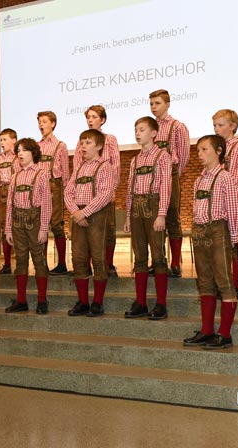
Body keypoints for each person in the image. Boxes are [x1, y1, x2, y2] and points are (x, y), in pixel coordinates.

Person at [182, 135, 238, 349]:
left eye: (204, 149)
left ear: (218, 151)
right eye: (198, 150)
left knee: (224, 283)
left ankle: (224, 334)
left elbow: (235, 212)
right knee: (205, 282)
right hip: (200, 232)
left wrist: (234, 241)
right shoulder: (199, 179)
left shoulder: (226, 178)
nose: (199, 154)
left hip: (219, 232)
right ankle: (207, 330)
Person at [65, 129, 118, 317]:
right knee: (78, 259)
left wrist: (84, 212)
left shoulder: (105, 167)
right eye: (81, 143)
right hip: (78, 216)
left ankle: (97, 302)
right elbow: (68, 191)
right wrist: (74, 212)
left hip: (96, 216)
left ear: (99, 146)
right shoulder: (78, 168)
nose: (83, 146)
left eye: (87, 143)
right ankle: (82, 301)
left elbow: (105, 194)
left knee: (98, 258)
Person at [123, 117, 172, 320]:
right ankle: (141, 302)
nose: (137, 133)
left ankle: (161, 304)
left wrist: (161, 214)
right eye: (135, 129)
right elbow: (129, 190)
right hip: (137, 208)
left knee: (158, 256)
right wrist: (127, 216)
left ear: (153, 133)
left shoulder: (162, 156)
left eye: (142, 129)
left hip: (153, 205)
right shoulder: (135, 160)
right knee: (140, 256)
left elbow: (166, 187)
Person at [5, 138, 51, 315]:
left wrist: (44, 228)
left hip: (35, 220)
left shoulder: (41, 174)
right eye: (18, 150)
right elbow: (9, 204)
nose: (20, 153)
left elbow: (47, 202)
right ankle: (21, 300)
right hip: (18, 222)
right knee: (21, 261)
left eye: (24, 150)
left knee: (39, 260)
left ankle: (42, 300)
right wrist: (8, 228)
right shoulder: (15, 176)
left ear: (33, 153)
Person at [75, 105, 121, 277]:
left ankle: (108, 264)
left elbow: (115, 164)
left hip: (104, 190)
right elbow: (78, 167)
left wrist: (112, 189)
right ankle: (85, 265)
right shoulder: (81, 141)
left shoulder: (110, 139)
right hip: (85, 191)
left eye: (94, 117)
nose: (90, 120)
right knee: (84, 232)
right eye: (88, 117)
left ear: (102, 120)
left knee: (108, 229)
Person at [149, 89, 189, 277]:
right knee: (155, 217)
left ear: (167, 104)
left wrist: (173, 176)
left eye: (157, 103)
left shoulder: (177, 126)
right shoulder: (149, 126)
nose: (153, 107)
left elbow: (184, 156)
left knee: (172, 216)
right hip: (151, 176)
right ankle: (158, 260)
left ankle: (175, 263)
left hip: (170, 174)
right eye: (151, 104)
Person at [212, 109, 238, 299]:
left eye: (220, 125)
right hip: (219, 206)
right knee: (222, 246)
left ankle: (237, 283)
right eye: (214, 125)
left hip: (234, 204)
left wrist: (232, 204)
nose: (216, 129)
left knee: (235, 244)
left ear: (233, 126)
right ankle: (223, 281)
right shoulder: (217, 149)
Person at [37, 111, 70, 274]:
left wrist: (65, 194)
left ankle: (62, 264)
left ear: (53, 124)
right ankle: (42, 263)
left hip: (54, 186)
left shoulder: (60, 145)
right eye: (39, 122)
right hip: (39, 188)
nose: (41, 125)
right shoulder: (36, 146)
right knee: (41, 225)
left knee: (56, 225)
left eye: (44, 121)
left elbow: (65, 173)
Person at [0, 128, 19, 275]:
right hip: (2, 192)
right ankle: (7, 263)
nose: (2, 143)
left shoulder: (19, 157)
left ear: (13, 140)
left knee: (18, 227)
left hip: (16, 191)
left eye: (5, 140)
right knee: (5, 226)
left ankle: (21, 263)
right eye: (1, 140)